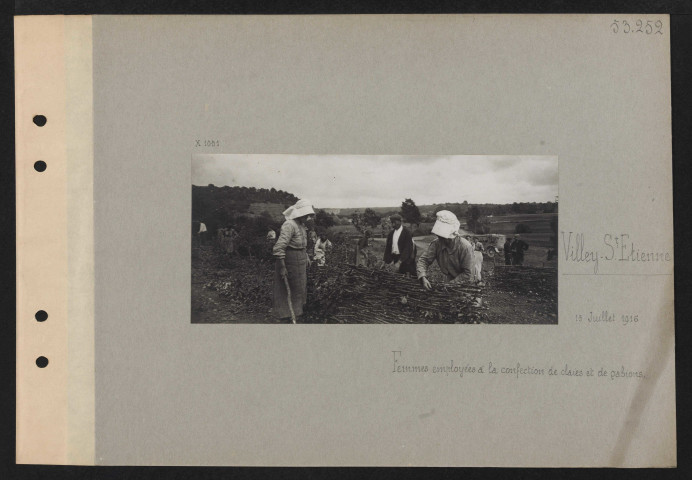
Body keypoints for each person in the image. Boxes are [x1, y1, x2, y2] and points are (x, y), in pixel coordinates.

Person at [272, 199, 315, 322]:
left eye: (309, 215)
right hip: (290, 260)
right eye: (306, 215)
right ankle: (284, 315)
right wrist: (282, 267)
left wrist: (305, 255)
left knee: (300, 287)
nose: (308, 218)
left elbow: (302, 244)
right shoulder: (289, 225)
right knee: (289, 287)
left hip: (300, 260)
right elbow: (279, 247)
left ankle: (297, 313)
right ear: (299, 213)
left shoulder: (301, 226)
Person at [416, 210, 475, 290]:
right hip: (449, 281)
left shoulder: (465, 247)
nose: (441, 239)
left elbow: (468, 274)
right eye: (439, 237)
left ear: (453, 236)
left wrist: (451, 284)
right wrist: (423, 277)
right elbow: (424, 260)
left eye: (444, 238)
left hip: (465, 284)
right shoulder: (437, 244)